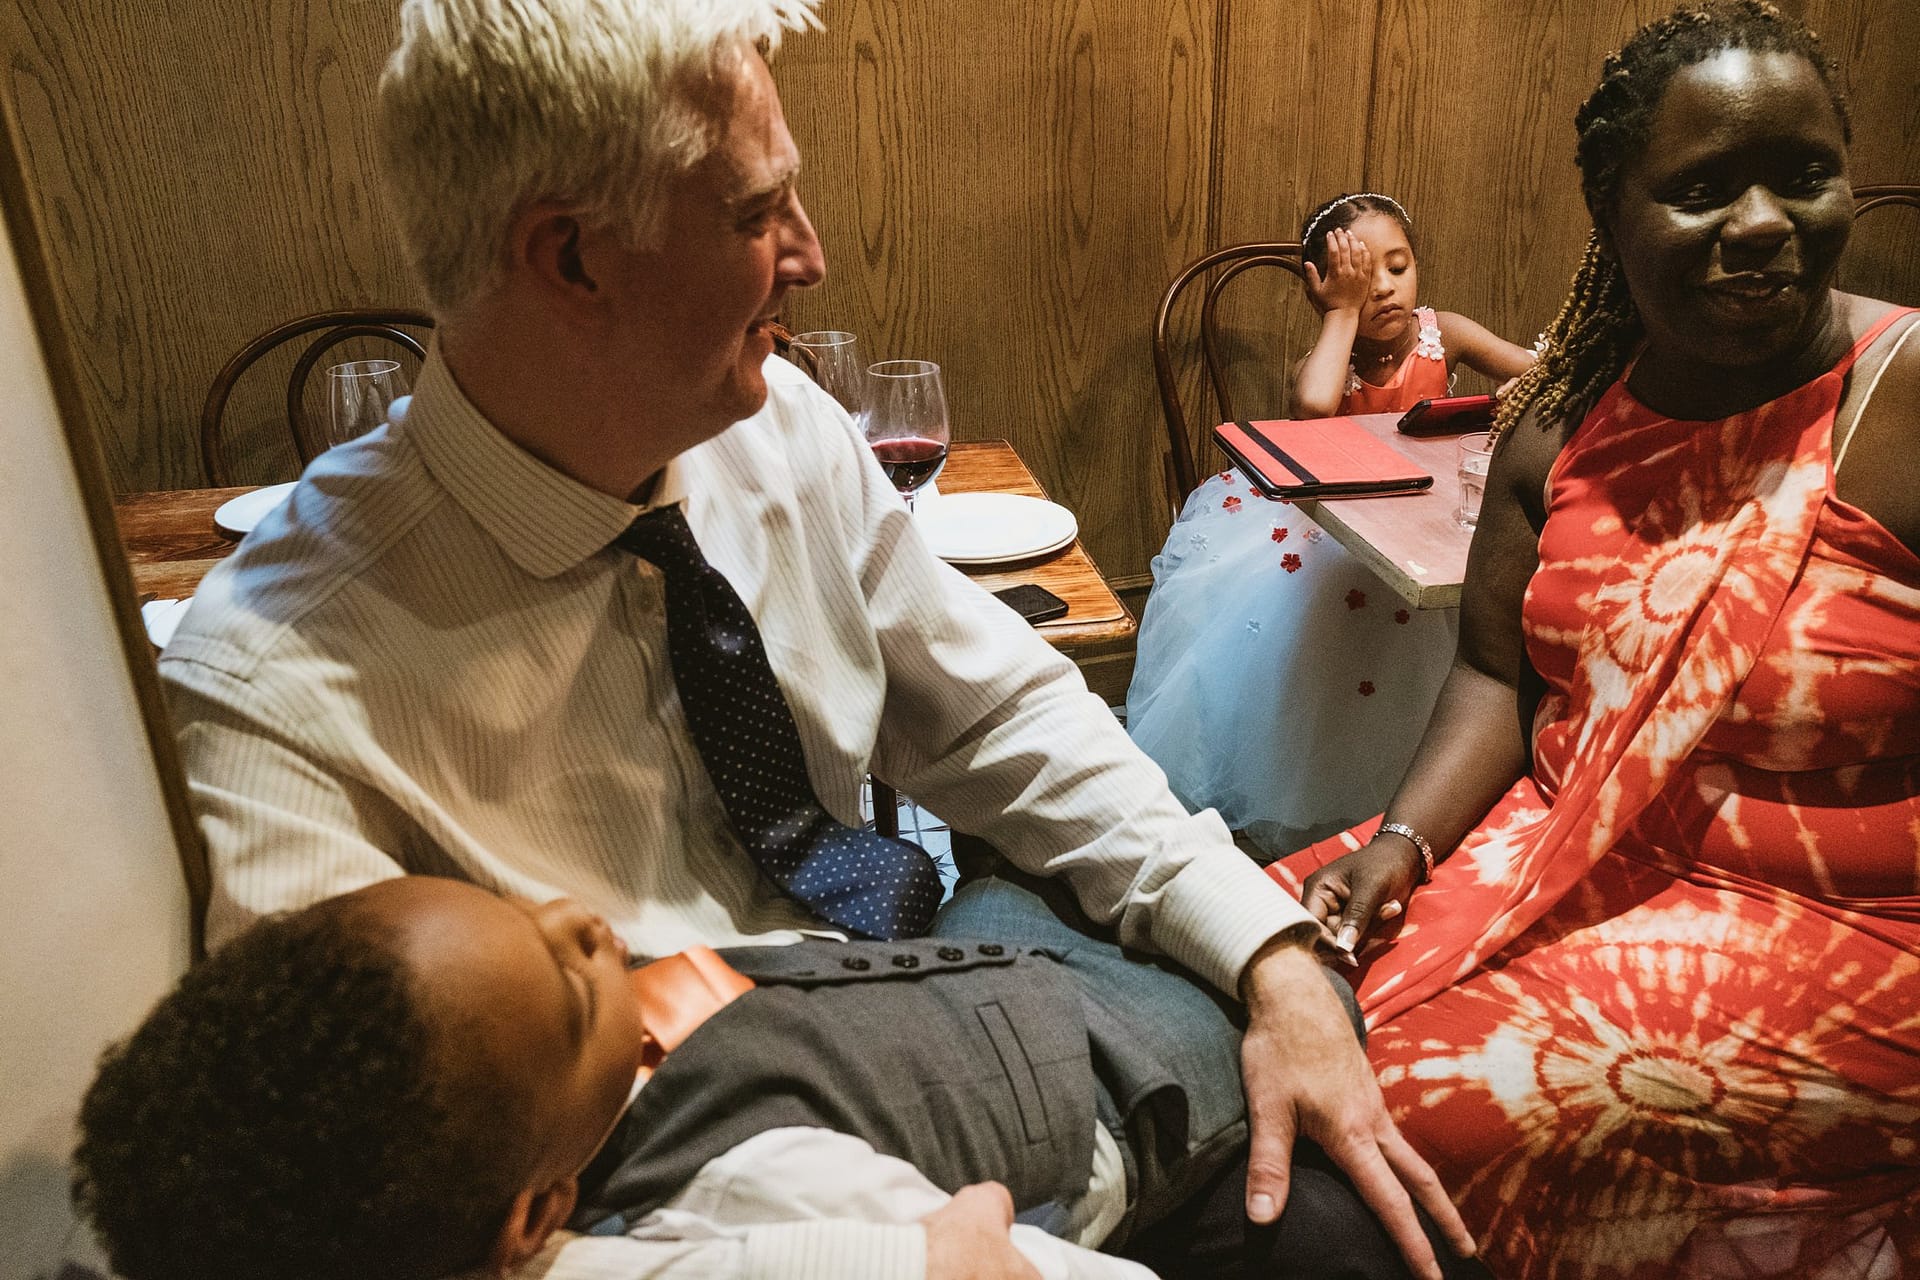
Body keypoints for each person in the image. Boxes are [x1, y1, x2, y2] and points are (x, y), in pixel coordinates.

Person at [154, 0, 1474, 1275]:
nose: (812, 252)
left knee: (1369, 1232)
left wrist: (1270, 953)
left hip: (925, 1001)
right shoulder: (275, 674)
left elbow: (1002, 718)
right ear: (569, 256)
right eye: (752, 211)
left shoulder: (775, 419)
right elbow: (359, 1228)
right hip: (690, 1182)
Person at [1273, 3, 1920, 1274]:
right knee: (1248, 965)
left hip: (1844, 927)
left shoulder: (1902, 400)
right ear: (1612, 217)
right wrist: (1402, 840)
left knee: (1397, 1108)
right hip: (1551, 848)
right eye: (1700, 188)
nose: (1762, 224)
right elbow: (1494, 671)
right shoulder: (1565, 420)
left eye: (1803, 176)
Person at [71, 876, 1173, 1280]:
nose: (578, 917)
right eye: (570, 987)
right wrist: (965, 1241)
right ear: (541, 1210)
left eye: (513, 908)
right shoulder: (749, 1197)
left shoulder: (466, 1153)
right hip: (1111, 1081)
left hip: (948, 981)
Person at [1125, 195, 1534, 858]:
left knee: (1476, 592)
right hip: (1328, 530)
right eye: (1359, 280)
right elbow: (1312, 409)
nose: (1384, 289)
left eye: (1397, 268)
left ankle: (1440, 778)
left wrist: (1529, 387)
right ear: (1320, 290)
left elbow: (1537, 369)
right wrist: (1339, 318)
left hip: (1425, 524)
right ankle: (1325, 789)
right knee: (1331, 617)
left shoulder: (1444, 332)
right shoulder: (1330, 357)